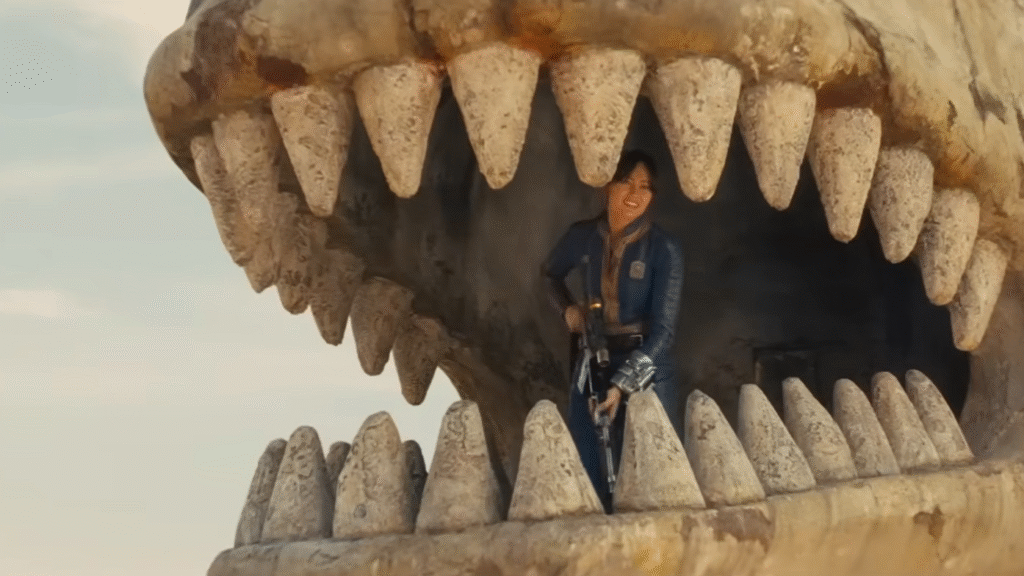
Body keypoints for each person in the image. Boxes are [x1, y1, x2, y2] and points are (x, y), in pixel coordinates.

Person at [542, 150, 684, 511]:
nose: (635, 194)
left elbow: (664, 333)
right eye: (626, 182)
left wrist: (622, 385)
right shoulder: (583, 237)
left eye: (645, 186)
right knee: (587, 473)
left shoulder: (663, 249)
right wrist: (567, 310)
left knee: (658, 479)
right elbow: (550, 275)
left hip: (646, 365)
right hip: (594, 360)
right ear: (609, 186)